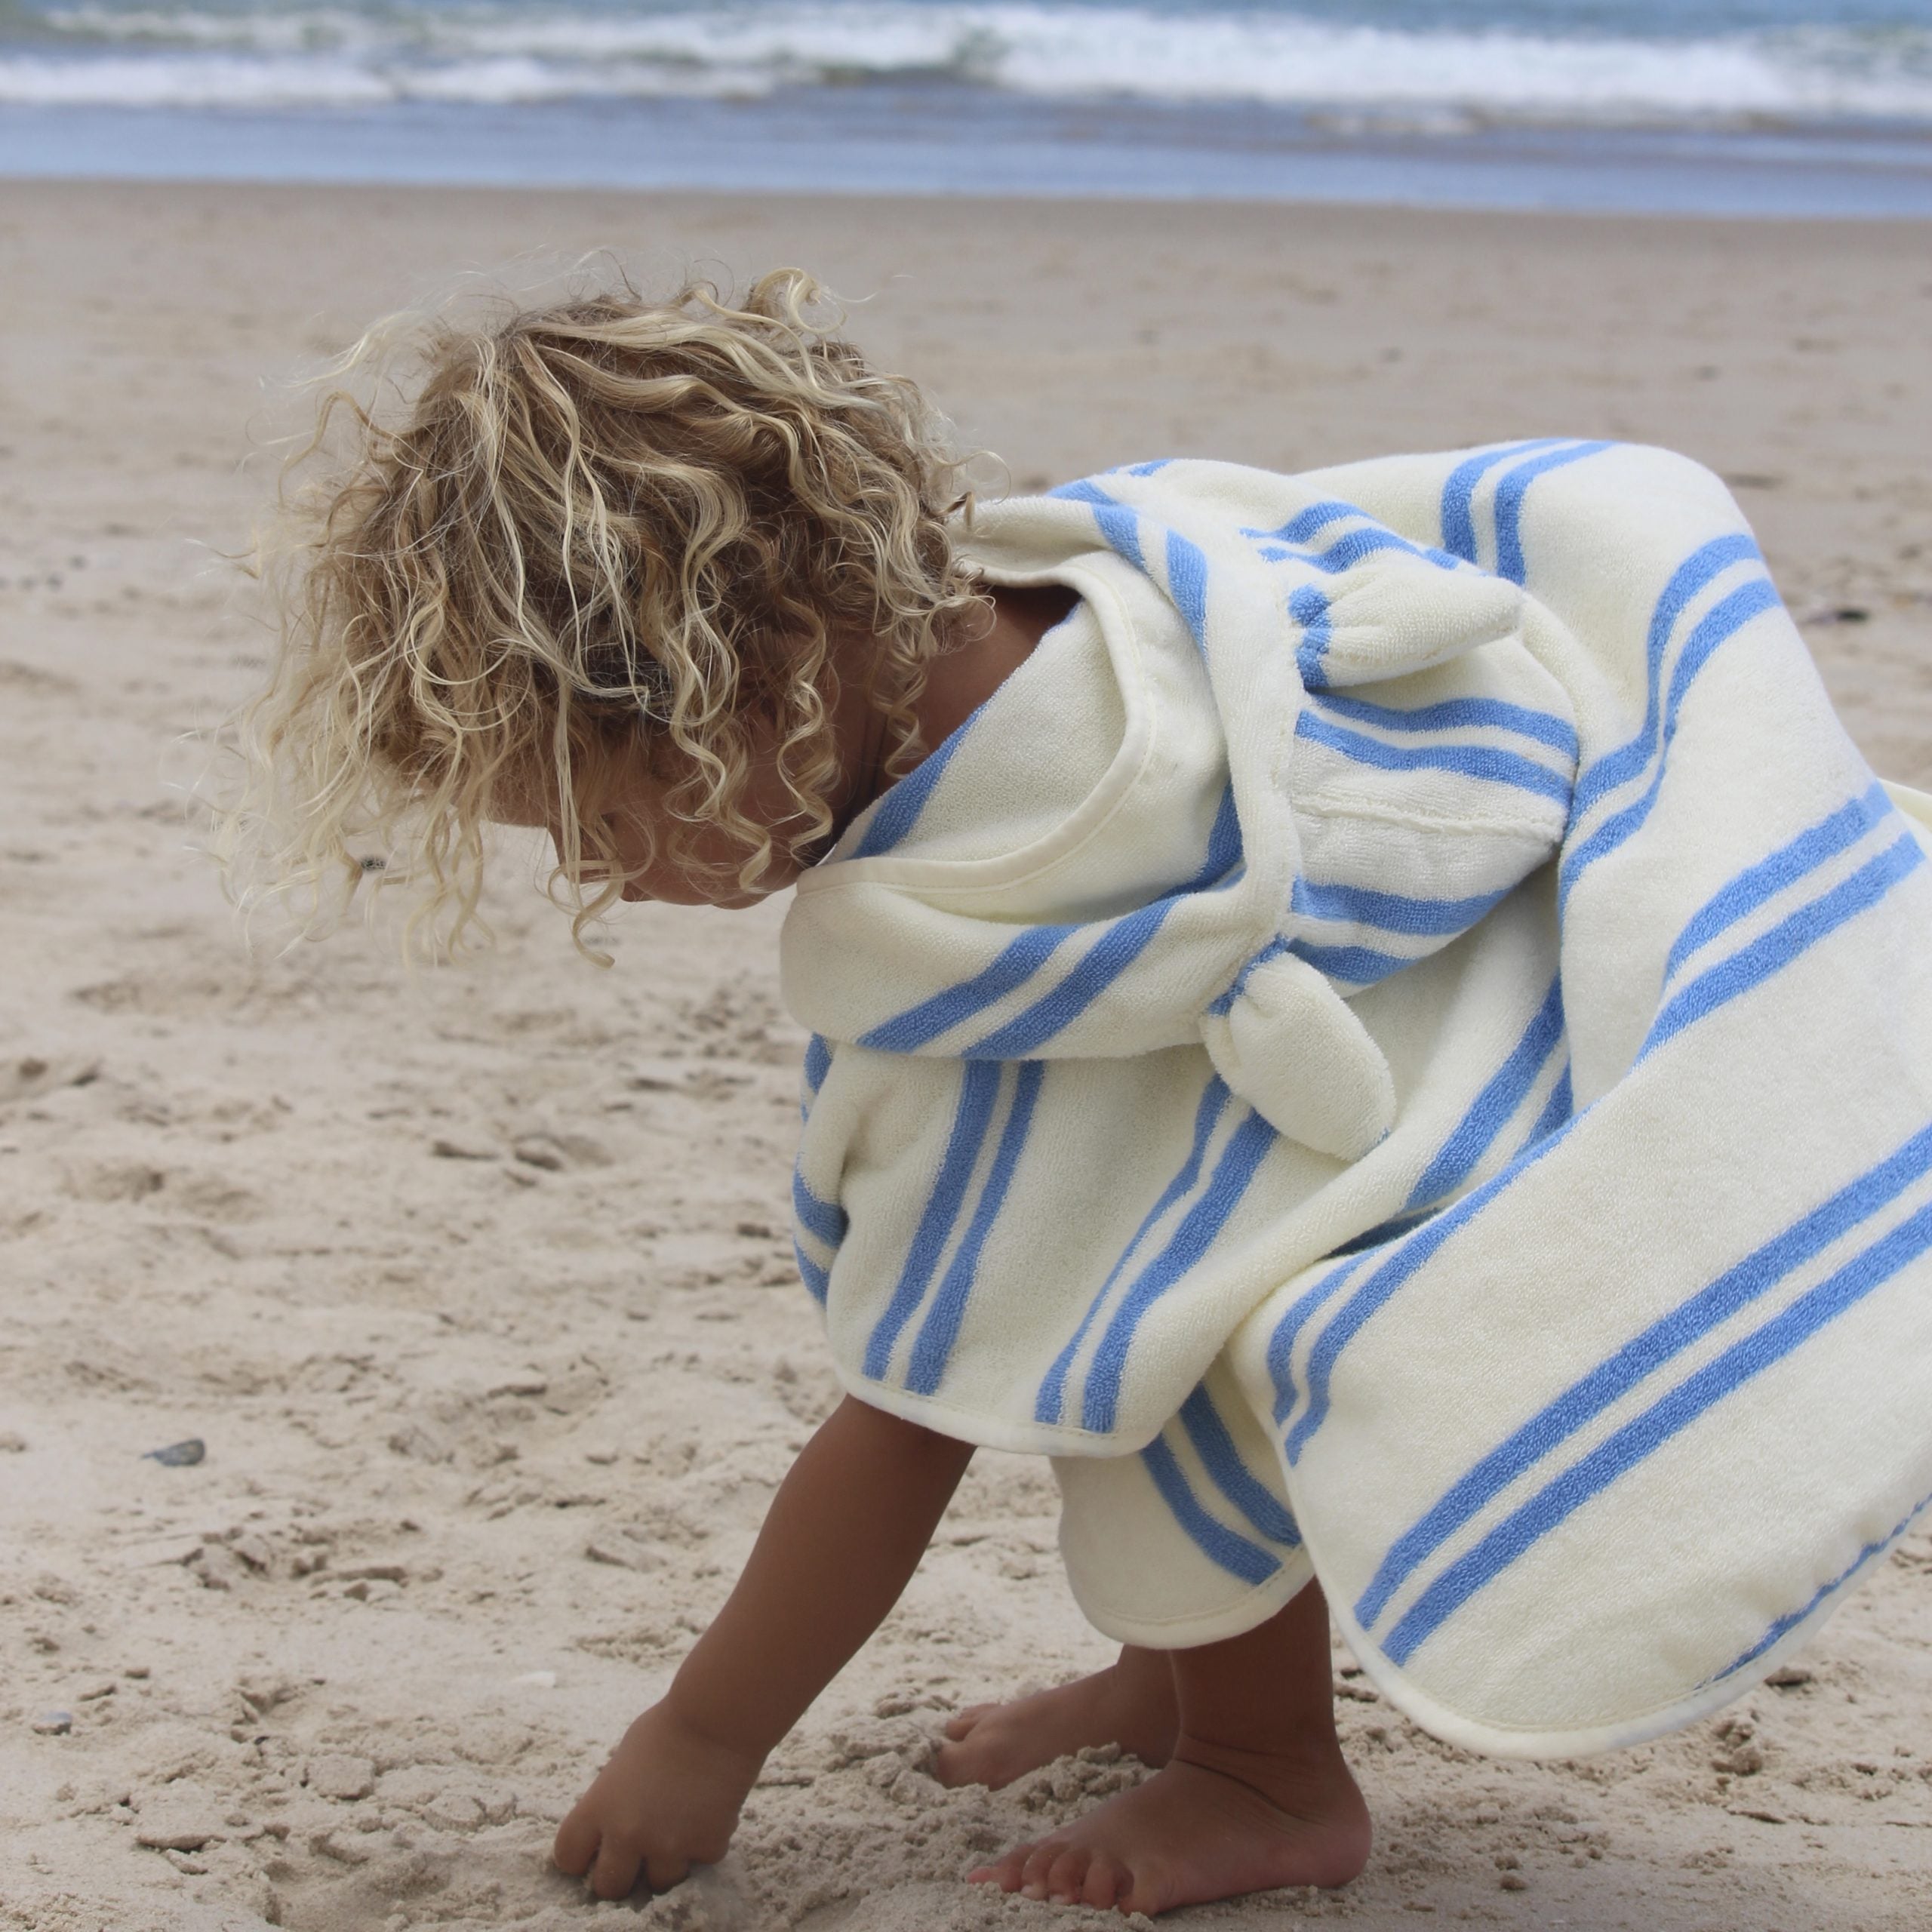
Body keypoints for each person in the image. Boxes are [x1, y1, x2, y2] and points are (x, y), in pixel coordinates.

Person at [222, 269, 1932, 1916]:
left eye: (592, 817)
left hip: (1487, 1178)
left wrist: (704, 1736)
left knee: (1144, 1309)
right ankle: (1167, 1673)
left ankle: (1263, 1769)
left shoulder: (1020, 916)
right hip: (1499, 981)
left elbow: (906, 1418)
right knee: (1147, 1193)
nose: (598, 875)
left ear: (751, 677)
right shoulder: (1121, 595)